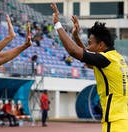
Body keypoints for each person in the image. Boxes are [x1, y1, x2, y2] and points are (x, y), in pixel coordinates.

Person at [50, 3, 128, 132]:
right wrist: (75, 36)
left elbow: (74, 51)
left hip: (114, 122)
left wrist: (57, 24)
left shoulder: (106, 59)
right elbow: (88, 60)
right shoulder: (117, 58)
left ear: (101, 45)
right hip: (122, 119)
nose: (88, 47)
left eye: (90, 43)